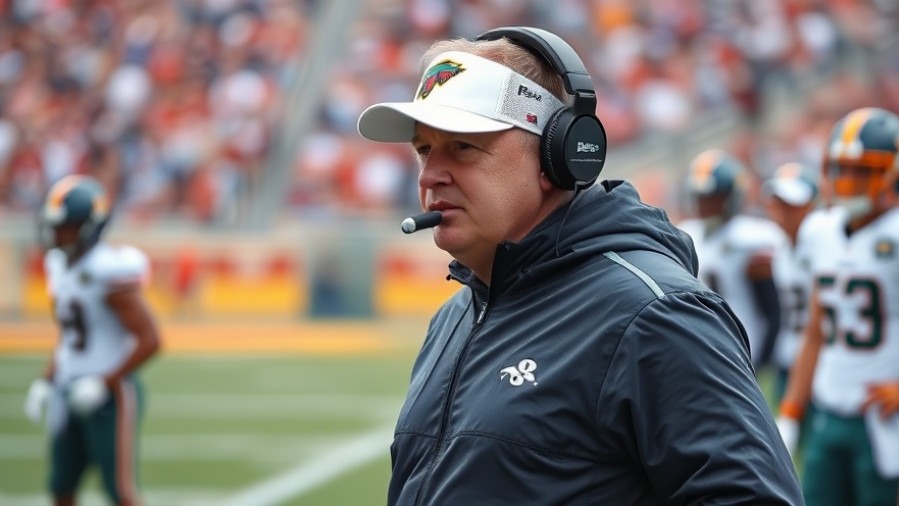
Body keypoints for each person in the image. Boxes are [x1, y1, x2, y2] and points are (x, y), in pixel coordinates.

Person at [356, 26, 802, 505]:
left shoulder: (654, 316)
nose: (429, 176)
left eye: (463, 146)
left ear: (558, 156)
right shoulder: (456, 315)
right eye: (424, 150)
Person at [777, 106, 899, 506]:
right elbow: (815, 329)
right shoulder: (820, 230)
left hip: (885, 417)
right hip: (829, 405)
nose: (848, 182)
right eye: (841, 169)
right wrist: (791, 411)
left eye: (862, 170)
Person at [23, 174, 161, 506]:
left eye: (65, 226)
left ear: (89, 228)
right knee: (61, 486)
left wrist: (103, 382)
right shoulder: (58, 265)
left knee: (120, 492)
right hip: (68, 387)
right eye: (54, 226)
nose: (55, 234)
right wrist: (47, 380)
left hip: (109, 396)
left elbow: (150, 339)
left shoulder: (106, 270)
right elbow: (70, 336)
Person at [678, 149, 786, 371]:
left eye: (713, 198)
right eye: (701, 197)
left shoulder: (753, 238)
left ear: (731, 197)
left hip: (748, 343)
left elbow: (772, 309)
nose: (705, 205)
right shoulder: (686, 235)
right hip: (705, 346)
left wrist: (766, 355)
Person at [761, 162, 820, 407]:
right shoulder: (776, 244)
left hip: (821, 359)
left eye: (791, 204)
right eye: (778, 204)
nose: (783, 212)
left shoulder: (825, 245)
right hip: (787, 355)